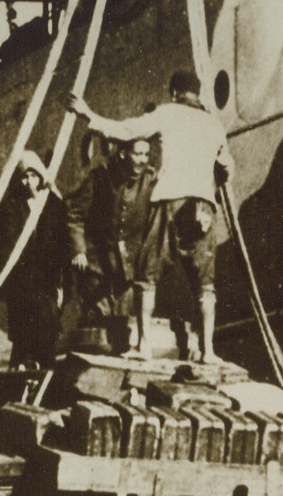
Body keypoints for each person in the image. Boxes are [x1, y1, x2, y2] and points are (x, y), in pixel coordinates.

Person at [69, 70, 233, 361]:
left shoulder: (167, 112)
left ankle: (143, 345)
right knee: (205, 284)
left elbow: (128, 131)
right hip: (204, 206)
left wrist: (87, 114)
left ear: (173, 92)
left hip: (170, 199)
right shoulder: (214, 124)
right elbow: (226, 167)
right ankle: (209, 350)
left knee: (147, 276)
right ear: (197, 93)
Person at [66, 138, 157, 346]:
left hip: (129, 269)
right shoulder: (100, 176)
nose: (143, 160)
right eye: (138, 154)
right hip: (97, 265)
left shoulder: (150, 181)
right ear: (123, 154)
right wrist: (78, 250)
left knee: (125, 326)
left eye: (146, 154)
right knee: (98, 327)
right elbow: (75, 216)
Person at [0, 150, 70, 369]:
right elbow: (5, 243)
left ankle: (46, 376)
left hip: (47, 278)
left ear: (41, 175)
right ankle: (19, 376)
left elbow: (62, 246)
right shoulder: (11, 207)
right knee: (23, 336)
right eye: (24, 176)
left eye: (33, 175)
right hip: (21, 279)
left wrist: (62, 282)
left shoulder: (54, 205)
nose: (28, 182)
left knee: (47, 331)